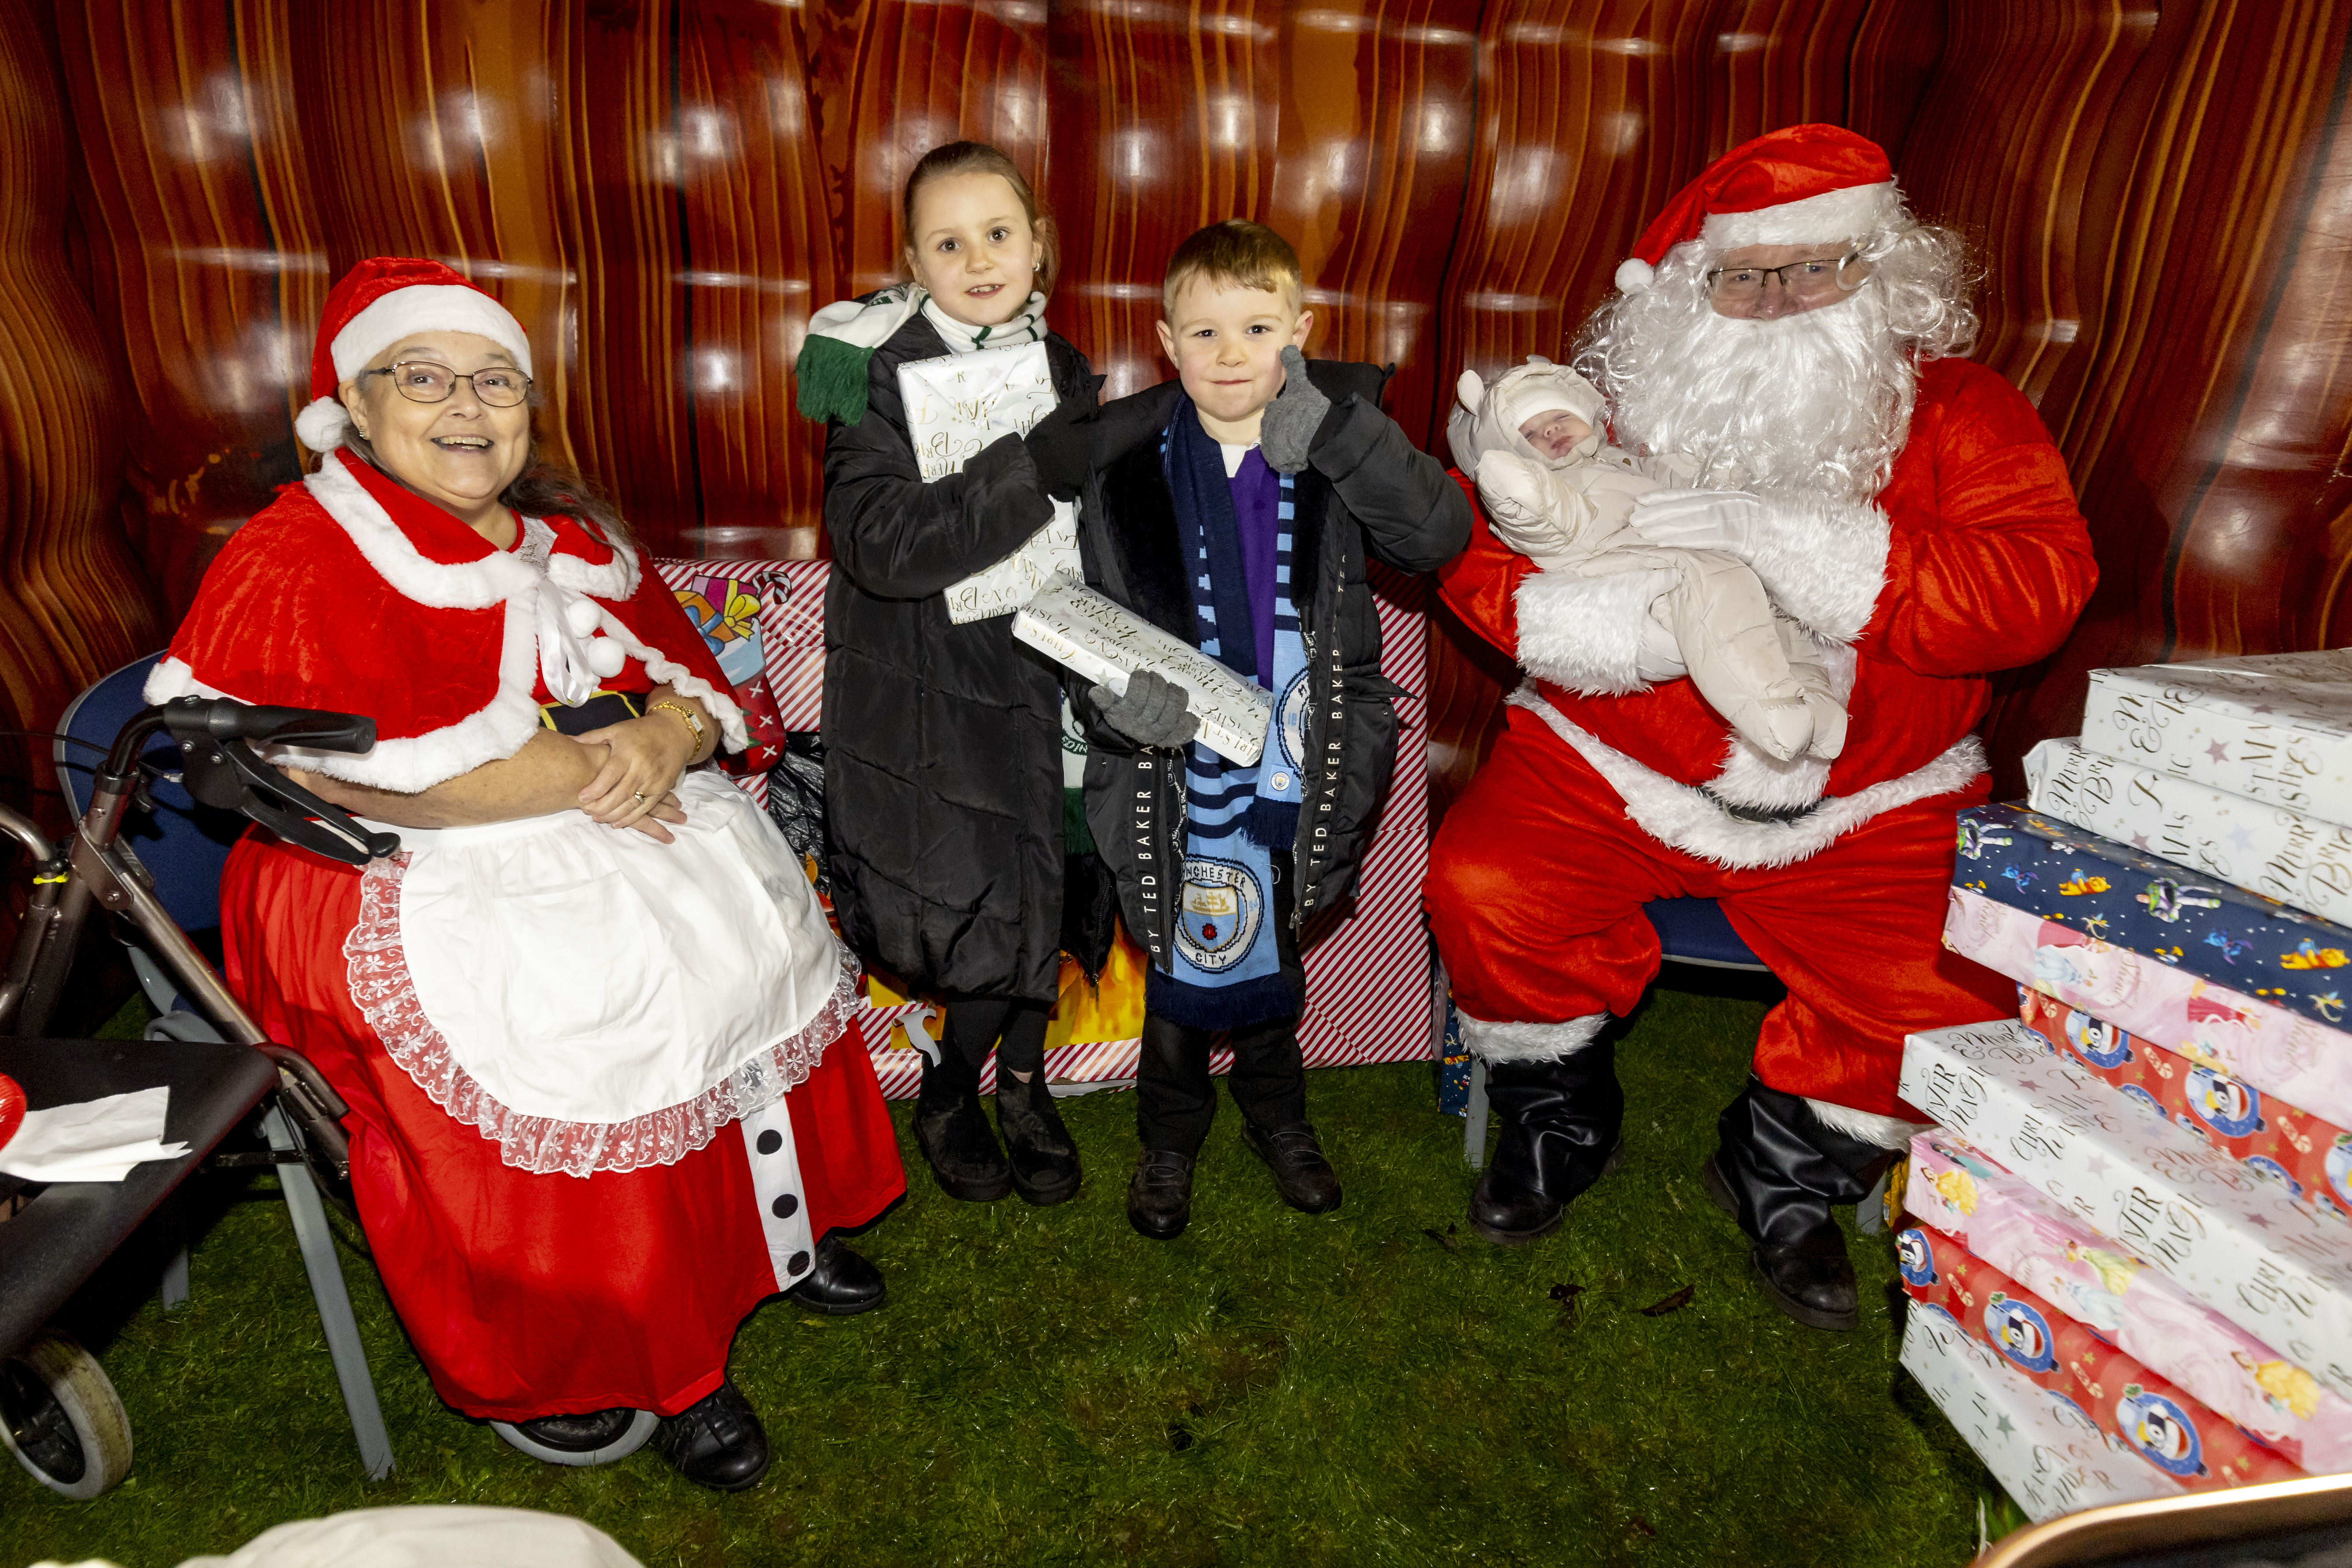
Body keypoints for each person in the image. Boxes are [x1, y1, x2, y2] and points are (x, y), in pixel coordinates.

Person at [156, 256, 905, 1491]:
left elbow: (683, 686)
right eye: (424, 376)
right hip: (401, 861)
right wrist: (573, 776)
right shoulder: (301, 550)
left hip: (615, 814)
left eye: (493, 379)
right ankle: (645, 1355)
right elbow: (310, 773)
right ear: (355, 404)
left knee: (753, 933)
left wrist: (666, 736)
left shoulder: (573, 540)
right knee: (592, 1002)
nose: (465, 405)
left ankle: (775, 1238)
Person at [1424, 125, 2098, 1329]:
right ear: (1689, 292)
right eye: (1742, 276)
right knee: (1483, 883)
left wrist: (1794, 543)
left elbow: (2035, 588)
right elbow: (1475, 555)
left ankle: (1786, 1164)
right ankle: (1554, 1112)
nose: (1778, 300)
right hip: (1609, 768)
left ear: (1880, 271)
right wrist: (1622, 625)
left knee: (1943, 980)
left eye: (1815, 268)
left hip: (1869, 798)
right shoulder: (1608, 406)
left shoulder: (1960, 412)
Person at [1056, 220, 1471, 1239]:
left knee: (1273, 950)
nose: (1231, 354)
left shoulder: (1342, 443)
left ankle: (1278, 1116)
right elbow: (1094, 635)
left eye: (1254, 327)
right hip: (1174, 773)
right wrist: (1113, 712)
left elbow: (1437, 537)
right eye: (1204, 333)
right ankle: (1168, 1133)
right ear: (1165, 342)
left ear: (1299, 329)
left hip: (1302, 767)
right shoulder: (1124, 475)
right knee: (1179, 959)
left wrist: (1340, 436)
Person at [804, 140, 1107, 1208]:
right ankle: (948, 1084)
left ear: (1040, 246)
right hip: (933, 687)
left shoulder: (1064, 363)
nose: (978, 257)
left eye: (998, 232)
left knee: (1049, 883)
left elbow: (1092, 529)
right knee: (978, 897)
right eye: (949, 240)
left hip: (1050, 676)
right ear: (913, 259)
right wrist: (1030, 469)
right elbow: (877, 541)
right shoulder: (875, 366)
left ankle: (1023, 1084)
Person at [1447, 357, 1845, 764]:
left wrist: (1716, 476)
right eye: (1529, 433)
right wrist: (1516, 493)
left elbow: (1671, 477)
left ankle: (1817, 709)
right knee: (1715, 580)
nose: (1550, 430)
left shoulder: (1620, 459)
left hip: (1668, 550)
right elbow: (1546, 524)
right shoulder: (1556, 484)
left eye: (1560, 416)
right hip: (1617, 564)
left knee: (1770, 612)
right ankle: (1770, 709)